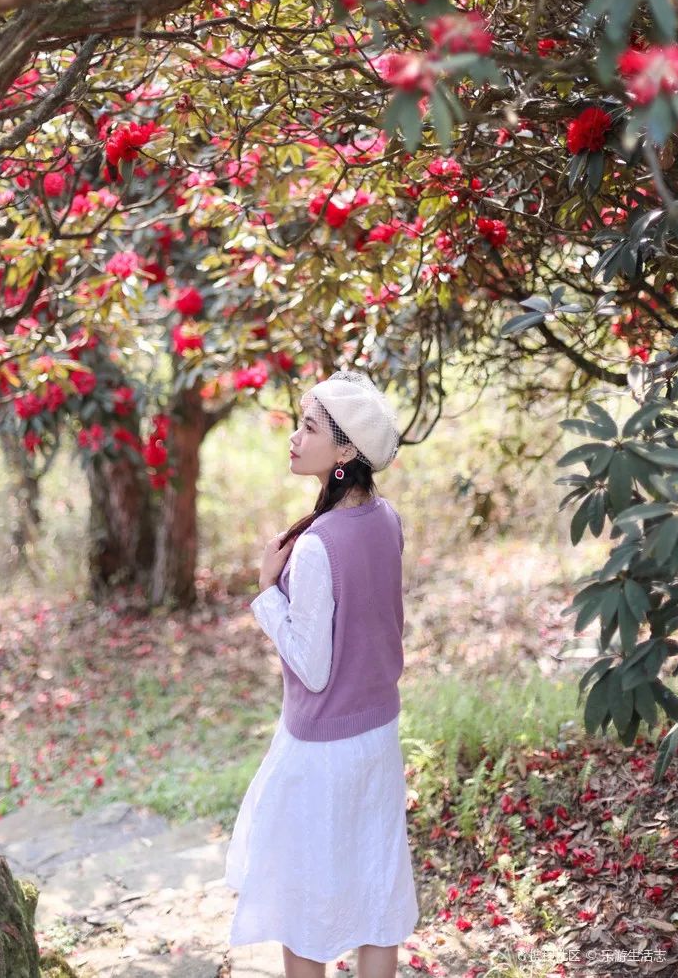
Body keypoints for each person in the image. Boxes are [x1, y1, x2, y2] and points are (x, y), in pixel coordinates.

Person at [224, 368, 419, 978]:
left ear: (345, 452)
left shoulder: (317, 545)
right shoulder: (386, 520)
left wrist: (265, 593)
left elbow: (311, 667)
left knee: (303, 899)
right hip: (378, 738)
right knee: (377, 889)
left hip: (321, 749)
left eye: (309, 427)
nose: (294, 437)